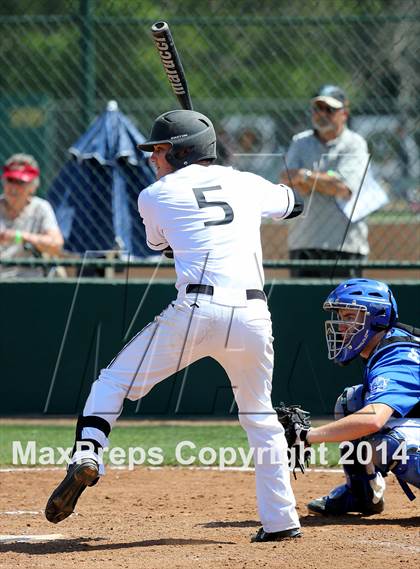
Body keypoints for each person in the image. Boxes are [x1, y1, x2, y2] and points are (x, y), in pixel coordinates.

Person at [45, 109, 305, 542]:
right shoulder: (245, 182)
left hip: (196, 311)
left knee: (111, 383)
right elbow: (295, 204)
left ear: (185, 151)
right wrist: (235, 178)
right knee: (260, 418)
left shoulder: (155, 195)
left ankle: (87, 454)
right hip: (254, 316)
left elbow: (161, 245)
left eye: (160, 150)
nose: (152, 158)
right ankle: (281, 522)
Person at [294, 278, 419, 514]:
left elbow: (373, 420)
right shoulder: (388, 346)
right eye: (341, 317)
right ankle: (361, 495)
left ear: (378, 317)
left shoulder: (399, 356)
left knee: (387, 442)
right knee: (352, 401)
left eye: (350, 317)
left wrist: (306, 435)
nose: (341, 326)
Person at [279, 85, 370, 278]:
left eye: (330, 109)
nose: (322, 114)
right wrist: (326, 180)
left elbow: (343, 188)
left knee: (345, 307)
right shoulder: (300, 142)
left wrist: (304, 176)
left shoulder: (355, 144)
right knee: (303, 307)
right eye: (317, 109)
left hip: (345, 245)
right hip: (304, 242)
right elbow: (286, 181)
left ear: (344, 113)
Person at [0, 153, 64, 277]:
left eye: (20, 182)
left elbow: (56, 245)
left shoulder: (41, 208)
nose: (13, 187)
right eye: (10, 180)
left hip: (29, 281)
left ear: (33, 187)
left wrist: (19, 236)